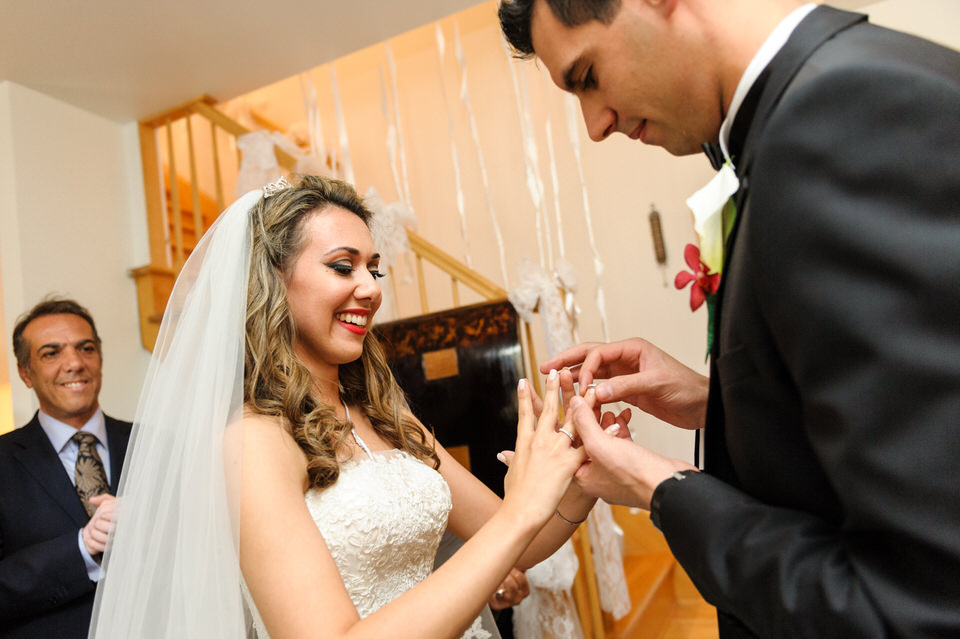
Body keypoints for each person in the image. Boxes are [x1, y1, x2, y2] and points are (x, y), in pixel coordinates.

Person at [499, 0, 960, 637]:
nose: (594, 125)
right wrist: (712, 403)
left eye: (587, 77)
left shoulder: (841, 114)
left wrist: (659, 485)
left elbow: (922, 601)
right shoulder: (824, 99)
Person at [89, 175, 625, 639]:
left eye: (374, 269)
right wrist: (522, 511)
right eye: (343, 267)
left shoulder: (387, 414)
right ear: (273, 281)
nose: (369, 288)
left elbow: (519, 543)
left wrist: (576, 483)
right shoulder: (253, 441)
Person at [0, 298, 132, 638]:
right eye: (51, 353)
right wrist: (81, 547)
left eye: (85, 348)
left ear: (100, 358)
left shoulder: (155, 444)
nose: (74, 363)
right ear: (25, 374)